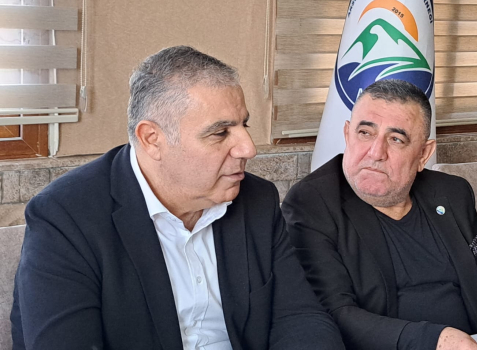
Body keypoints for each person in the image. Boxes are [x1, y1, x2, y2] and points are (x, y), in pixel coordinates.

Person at [11, 46, 345, 350]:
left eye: (244, 125)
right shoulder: (66, 215)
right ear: (152, 139)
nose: (248, 148)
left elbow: (300, 317)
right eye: (220, 133)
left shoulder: (257, 199)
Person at [282, 79, 477, 350]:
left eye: (396, 139)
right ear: (347, 134)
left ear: (424, 154)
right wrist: (432, 340)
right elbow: (332, 312)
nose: (376, 152)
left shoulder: (450, 193)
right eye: (365, 132)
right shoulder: (313, 203)